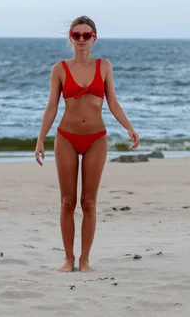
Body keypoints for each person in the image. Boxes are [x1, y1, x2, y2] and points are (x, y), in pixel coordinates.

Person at [35, 15, 140, 272]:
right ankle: (69, 258)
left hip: (96, 139)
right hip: (66, 138)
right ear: (70, 38)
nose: (81, 40)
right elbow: (51, 107)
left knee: (89, 202)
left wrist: (129, 127)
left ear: (94, 38)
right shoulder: (59, 69)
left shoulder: (104, 66)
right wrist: (40, 139)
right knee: (67, 202)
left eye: (86, 35)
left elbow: (112, 102)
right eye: (76, 35)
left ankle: (84, 260)